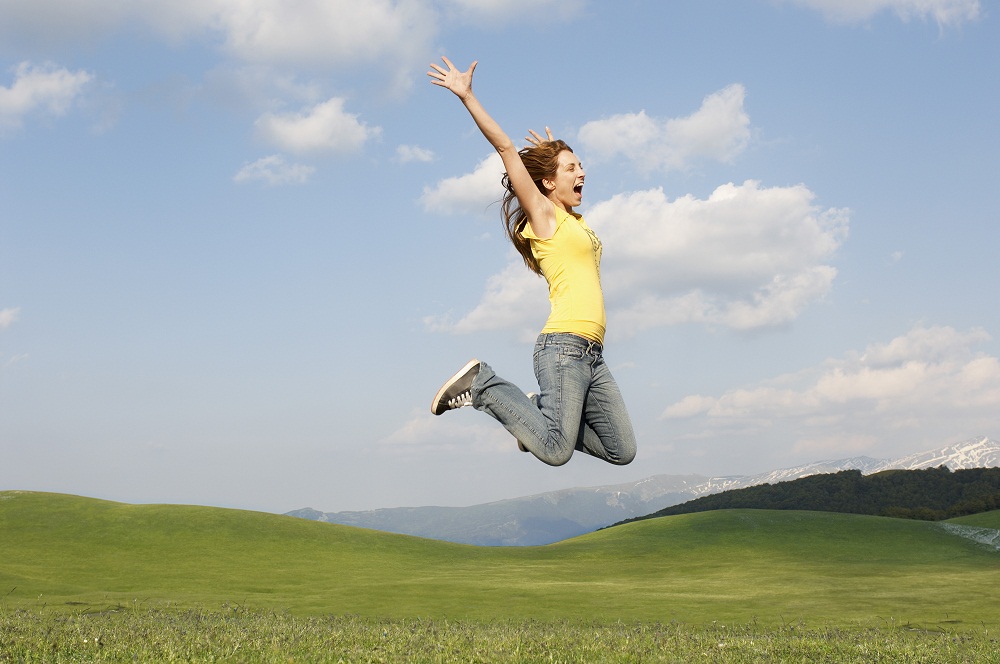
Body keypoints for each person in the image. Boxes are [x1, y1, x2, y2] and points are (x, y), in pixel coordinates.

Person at [427, 56, 636, 467]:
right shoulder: (544, 217)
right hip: (563, 348)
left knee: (621, 450)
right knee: (556, 452)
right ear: (546, 182)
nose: (583, 172)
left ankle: (531, 417)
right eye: (572, 168)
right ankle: (484, 384)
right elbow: (506, 147)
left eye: (581, 166)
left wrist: (554, 152)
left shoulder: (574, 220)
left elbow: (557, 179)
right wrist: (467, 96)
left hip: (593, 354)